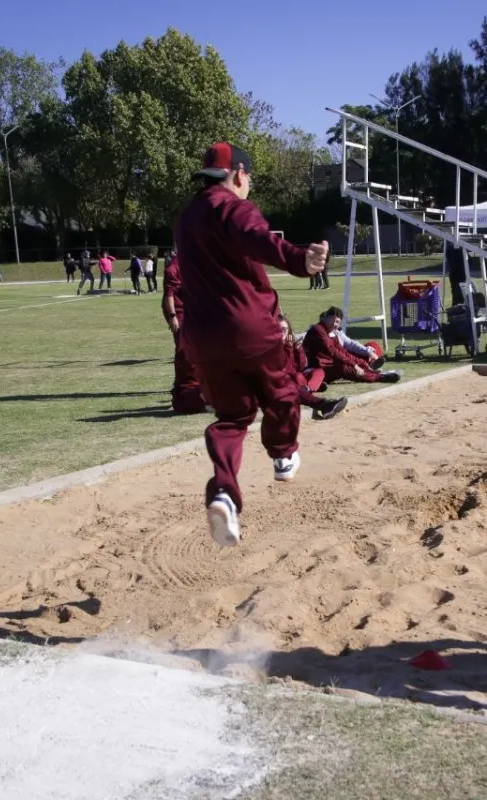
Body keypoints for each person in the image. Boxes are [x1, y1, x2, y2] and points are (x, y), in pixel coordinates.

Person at [176, 141, 326, 547]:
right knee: (282, 391)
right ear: (239, 174)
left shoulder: (187, 216)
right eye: (249, 178)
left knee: (231, 418)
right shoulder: (233, 207)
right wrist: (298, 260)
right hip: (248, 327)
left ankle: (224, 493)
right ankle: (282, 454)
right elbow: (257, 236)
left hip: (203, 340)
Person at [161, 251, 209, 415]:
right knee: (184, 348)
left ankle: (189, 386)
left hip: (192, 308)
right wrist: (173, 316)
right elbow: (169, 294)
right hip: (178, 309)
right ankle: (184, 389)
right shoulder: (173, 268)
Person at [303, 307, 401, 384]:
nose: (334, 324)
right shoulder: (318, 330)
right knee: (344, 367)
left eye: (337, 322)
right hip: (320, 367)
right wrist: (354, 365)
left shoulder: (335, 333)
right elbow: (333, 351)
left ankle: (372, 370)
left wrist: (362, 361)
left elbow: (344, 349)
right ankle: (379, 377)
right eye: (332, 320)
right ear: (325, 318)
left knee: (357, 359)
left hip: (334, 362)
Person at [279, 314, 348, 421]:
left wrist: (298, 350)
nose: (282, 332)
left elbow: (301, 366)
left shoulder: (290, 343)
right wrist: (288, 346)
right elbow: (285, 368)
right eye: (279, 329)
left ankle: (307, 390)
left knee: (318, 372)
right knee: (295, 379)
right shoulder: (273, 347)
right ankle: (324, 404)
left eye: (284, 329)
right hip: (286, 380)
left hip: (298, 377)